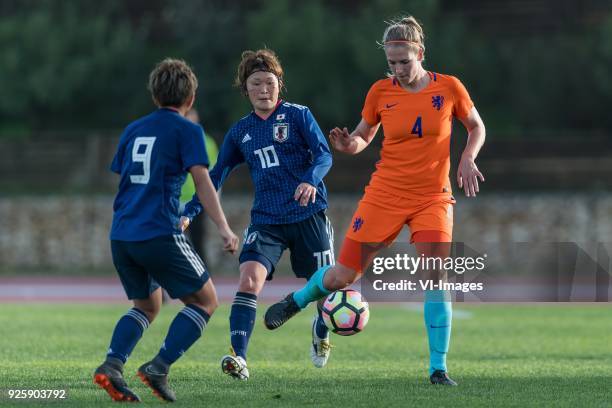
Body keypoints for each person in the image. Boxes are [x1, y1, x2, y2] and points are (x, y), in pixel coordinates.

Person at [264, 16, 486, 386]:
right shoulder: (380, 92)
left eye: (404, 61)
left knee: (436, 275)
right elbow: (363, 136)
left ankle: (438, 368)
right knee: (344, 275)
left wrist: (467, 157)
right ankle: (297, 301)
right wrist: (349, 144)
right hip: (384, 194)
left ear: (420, 52)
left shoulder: (449, 88)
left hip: (433, 197)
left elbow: (476, 126)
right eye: (392, 62)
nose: (397, 69)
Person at [181, 49, 334, 380]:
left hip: (309, 215)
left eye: (270, 82)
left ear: (280, 85)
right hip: (266, 219)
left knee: (323, 291)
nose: (264, 89)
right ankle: (239, 358)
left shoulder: (299, 115)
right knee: (249, 280)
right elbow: (216, 175)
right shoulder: (240, 132)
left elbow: (324, 156)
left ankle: (321, 335)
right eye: (256, 84)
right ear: (245, 90)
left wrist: (310, 180)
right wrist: (191, 210)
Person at [93, 58, 239, 402]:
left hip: (122, 234)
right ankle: (158, 367)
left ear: (154, 95)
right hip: (158, 230)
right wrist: (224, 228)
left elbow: (127, 177)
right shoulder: (188, 130)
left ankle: (112, 365)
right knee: (206, 301)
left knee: (147, 306)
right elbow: (203, 182)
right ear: (191, 97)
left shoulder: (133, 129)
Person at [180, 108, 220, 259]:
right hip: (175, 199)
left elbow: (215, 173)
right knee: (174, 243)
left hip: (197, 200)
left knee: (198, 241)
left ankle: (204, 277)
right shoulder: (176, 139)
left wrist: (213, 199)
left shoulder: (207, 142)